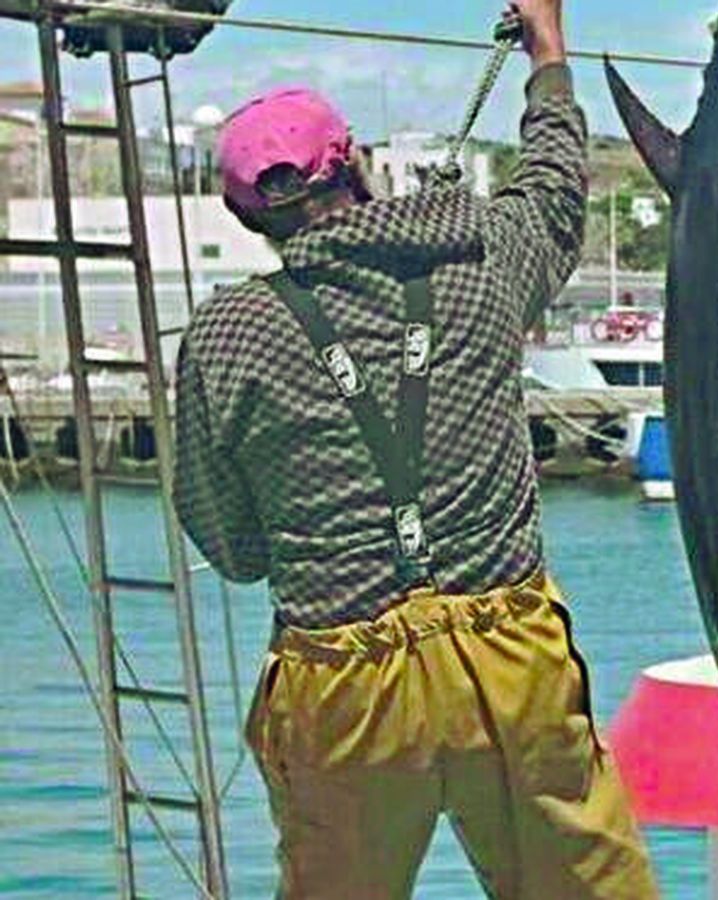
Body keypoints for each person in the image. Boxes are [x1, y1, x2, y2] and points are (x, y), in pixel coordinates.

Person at [173, 1, 658, 896]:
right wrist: (547, 52)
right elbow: (554, 191)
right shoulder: (482, 257)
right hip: (511, 660)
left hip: (342, 686)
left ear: (246, 217)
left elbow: (232, 547)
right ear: (356, 163)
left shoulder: (225, 336)